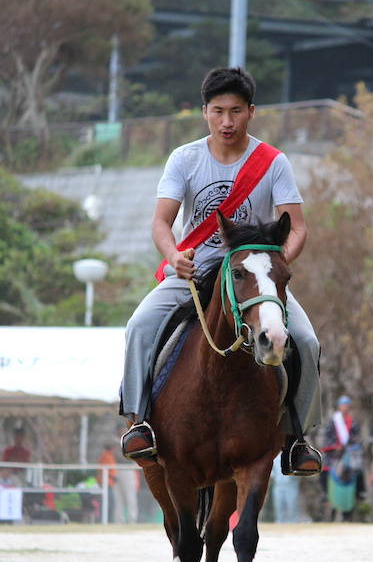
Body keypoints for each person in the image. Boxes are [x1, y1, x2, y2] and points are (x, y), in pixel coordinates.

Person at [120, 66, 322, 476]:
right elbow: (161, 222)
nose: (226, 121)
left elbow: (298, 227)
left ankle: (296, 439)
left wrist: (276, 264)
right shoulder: (185, 159)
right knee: (139, 325)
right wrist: (173, 255)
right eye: (217, 111)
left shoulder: (273, 162)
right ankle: (140, 423)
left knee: (306, 340)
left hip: (252, 276)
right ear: (205, 113)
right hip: (194, 272)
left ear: (251, 111)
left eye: (235, 111)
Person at [319, 396, 364, 520]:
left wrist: (350, 445)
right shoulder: (333, 422)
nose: (345, 407)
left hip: (349, 452)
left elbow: (356, 437)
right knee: (324, 469)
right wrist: (336, 446)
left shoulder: (353, 422)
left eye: (346, 405)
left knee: (358, 467)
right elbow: (327, 437)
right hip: (334, 453)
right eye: (343, 405)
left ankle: (360, 491)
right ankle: (324, 492)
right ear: (339, 407)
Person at [113, 426, 139, 524]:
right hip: (116, 470)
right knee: (118, 498)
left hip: (128, 471)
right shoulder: (114, 443)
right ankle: (119, 520)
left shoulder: (130, 441)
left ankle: (132, 519)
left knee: (130, 496)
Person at [271, 454, 300, 522]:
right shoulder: (276, 458)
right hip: (278, 486)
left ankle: (293, 522)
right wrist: (275, 477)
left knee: (292, 507)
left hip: (291, 486)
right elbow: (271, 471)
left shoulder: (294, 457)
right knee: (279, 507)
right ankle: (280, 522)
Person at [97, 438, 117, 524]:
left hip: (109, 482)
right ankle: (105, 521)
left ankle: (109, 521)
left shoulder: (109, 455)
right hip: (106, 483)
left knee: (111, 503)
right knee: (108, 504)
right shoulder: (106, 455)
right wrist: (112, 477)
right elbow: (104, 470)